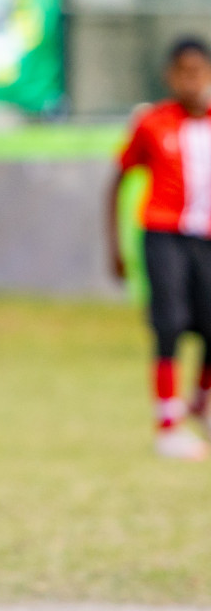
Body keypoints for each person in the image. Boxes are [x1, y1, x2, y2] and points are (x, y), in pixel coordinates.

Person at [108, 37, 211, 460]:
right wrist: (113, 244)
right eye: (181, 72)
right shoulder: (154, 123)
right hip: (163, 234)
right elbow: (119, 177)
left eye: (198, 71)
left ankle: (200, 404)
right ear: (169, 76)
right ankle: (167, 425)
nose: (190, 81)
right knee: (168, 324)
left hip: (206, 236)